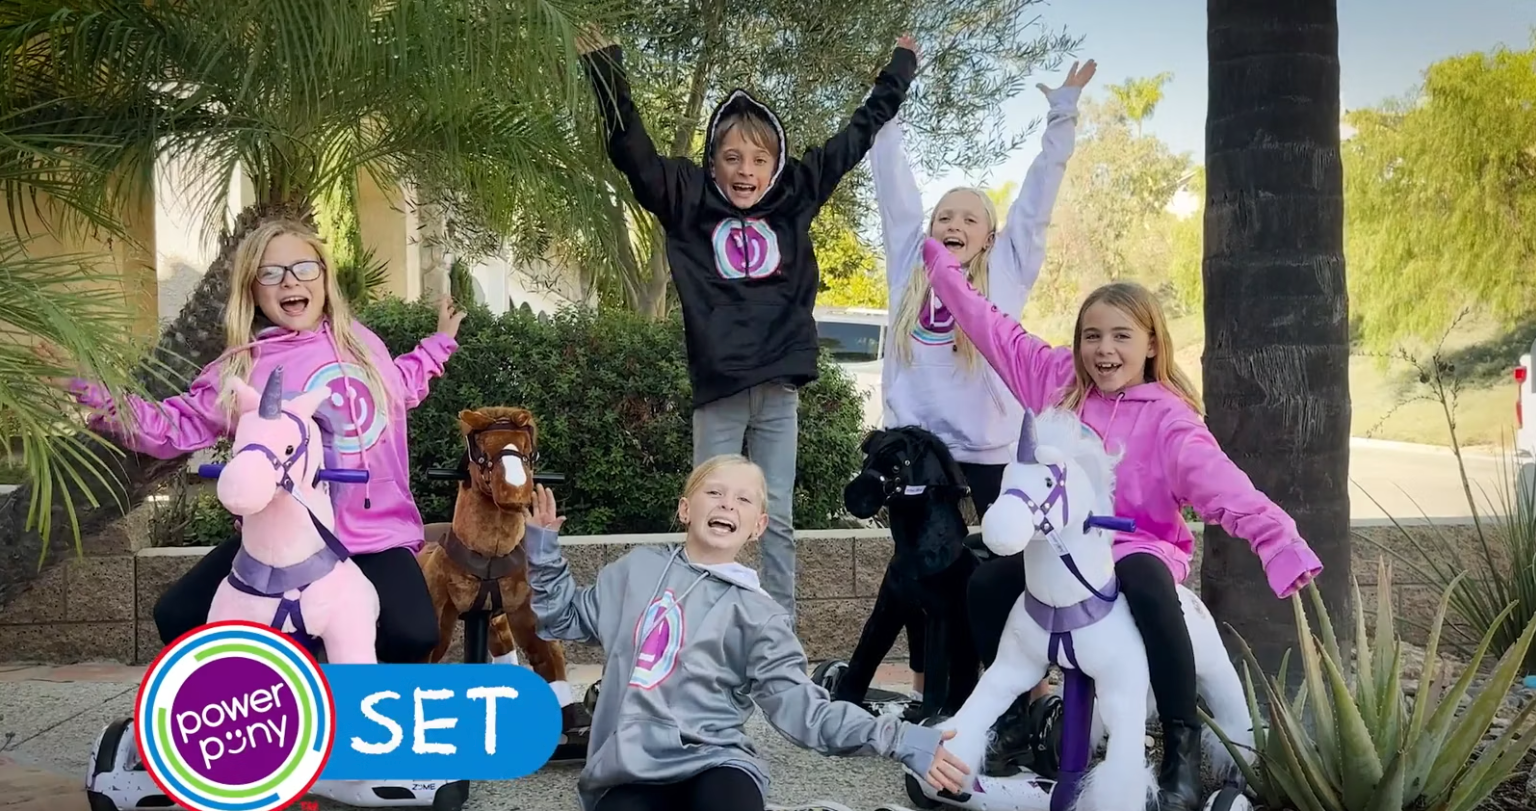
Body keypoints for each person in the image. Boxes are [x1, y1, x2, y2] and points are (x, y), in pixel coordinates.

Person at [916, 237, 1324, 811]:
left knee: (1151, 590)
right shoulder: (1057, 382)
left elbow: (1228, 487)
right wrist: (943, 271)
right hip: (1061, 546)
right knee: (986, 584)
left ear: (1151, 342)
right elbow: (992, 329)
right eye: (1092, 336)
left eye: (1120, 336)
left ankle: (1178, 744)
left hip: (1140, 543)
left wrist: (1279, 541)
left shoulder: (1171, 421)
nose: (1104, 350)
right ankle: (1018, 714)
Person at [576, 26, 921, 621]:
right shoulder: (686, 197)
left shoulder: (795, 194)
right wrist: (605, 69)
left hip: (779, 391)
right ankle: (702, 627)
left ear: (776, 162)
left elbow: (855, 136)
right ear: (713, 161)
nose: (746, 170)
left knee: (776, 515)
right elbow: (631, 152)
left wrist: (900, 70)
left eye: (759, 159)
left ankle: (778, 634)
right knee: (711, 513)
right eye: (732, 157)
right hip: (721, 391)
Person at [62, 218, 463, 663]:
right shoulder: (242, 368)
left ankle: (353, 710)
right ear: (252, 289)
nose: (290, 281)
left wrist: (440, 344)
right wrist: (90, 392)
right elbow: (172, 424)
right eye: (271, 273)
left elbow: (401, 387)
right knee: (178, 616)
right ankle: (276, 700)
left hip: (373, 537)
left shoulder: (363, 344)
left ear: (324, 277)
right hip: (282, 538)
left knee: (412, 635)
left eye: (303, 268)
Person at [525, 455, 970, 811]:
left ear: (757, 526)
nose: (726, 504)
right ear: (685, 508)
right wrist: (542, 547)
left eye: (743, 500)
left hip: (716, 761)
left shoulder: (759, 615)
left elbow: (805, 712)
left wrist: (899, 738)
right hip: (629, 767)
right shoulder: (635, 570)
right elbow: (563, 618)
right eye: (714, 492)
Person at [870, 59, 1096, 707]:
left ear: (990, 236)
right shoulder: (909, 264)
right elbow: (894, 185)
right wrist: (890, 99)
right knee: (919, 573)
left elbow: (1036, 201)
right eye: (946, 215)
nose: (954, 224)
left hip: (990, 450)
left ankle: (1022, 685)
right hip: (917, 453)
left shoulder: (1006, 273)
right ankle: (926, 687)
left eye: (970, 218)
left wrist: (1062, 113)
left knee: (1013, 567)